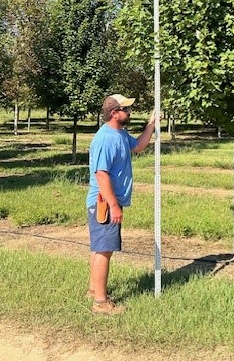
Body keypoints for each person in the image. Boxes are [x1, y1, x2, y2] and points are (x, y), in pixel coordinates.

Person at [86, 93, 155, 315]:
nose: (129, 113)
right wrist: (114, 205)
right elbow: (101, 175)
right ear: (114, 113)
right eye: (125, 109)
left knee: (101, 248)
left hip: (108, 201)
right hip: (104, 203)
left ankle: (93, 290)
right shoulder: (105, 138)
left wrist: (151, 124)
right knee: (104, 250)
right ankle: (100, 303)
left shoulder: (121, 134)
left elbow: (139, 147)